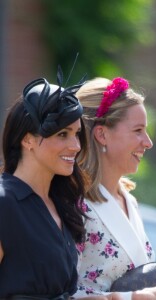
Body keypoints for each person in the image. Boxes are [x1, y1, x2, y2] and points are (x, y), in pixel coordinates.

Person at [0, 72, 123, 300]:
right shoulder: (4, 203)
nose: (76, 145)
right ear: (27, 140)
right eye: (62, 134)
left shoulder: (62, 204)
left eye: (76, 134)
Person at [74, 77, 156, 300]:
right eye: (138, 130)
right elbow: (61, 294)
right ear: (102, 134)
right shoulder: (75, 205)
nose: (148, 142)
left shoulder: (129, 200)